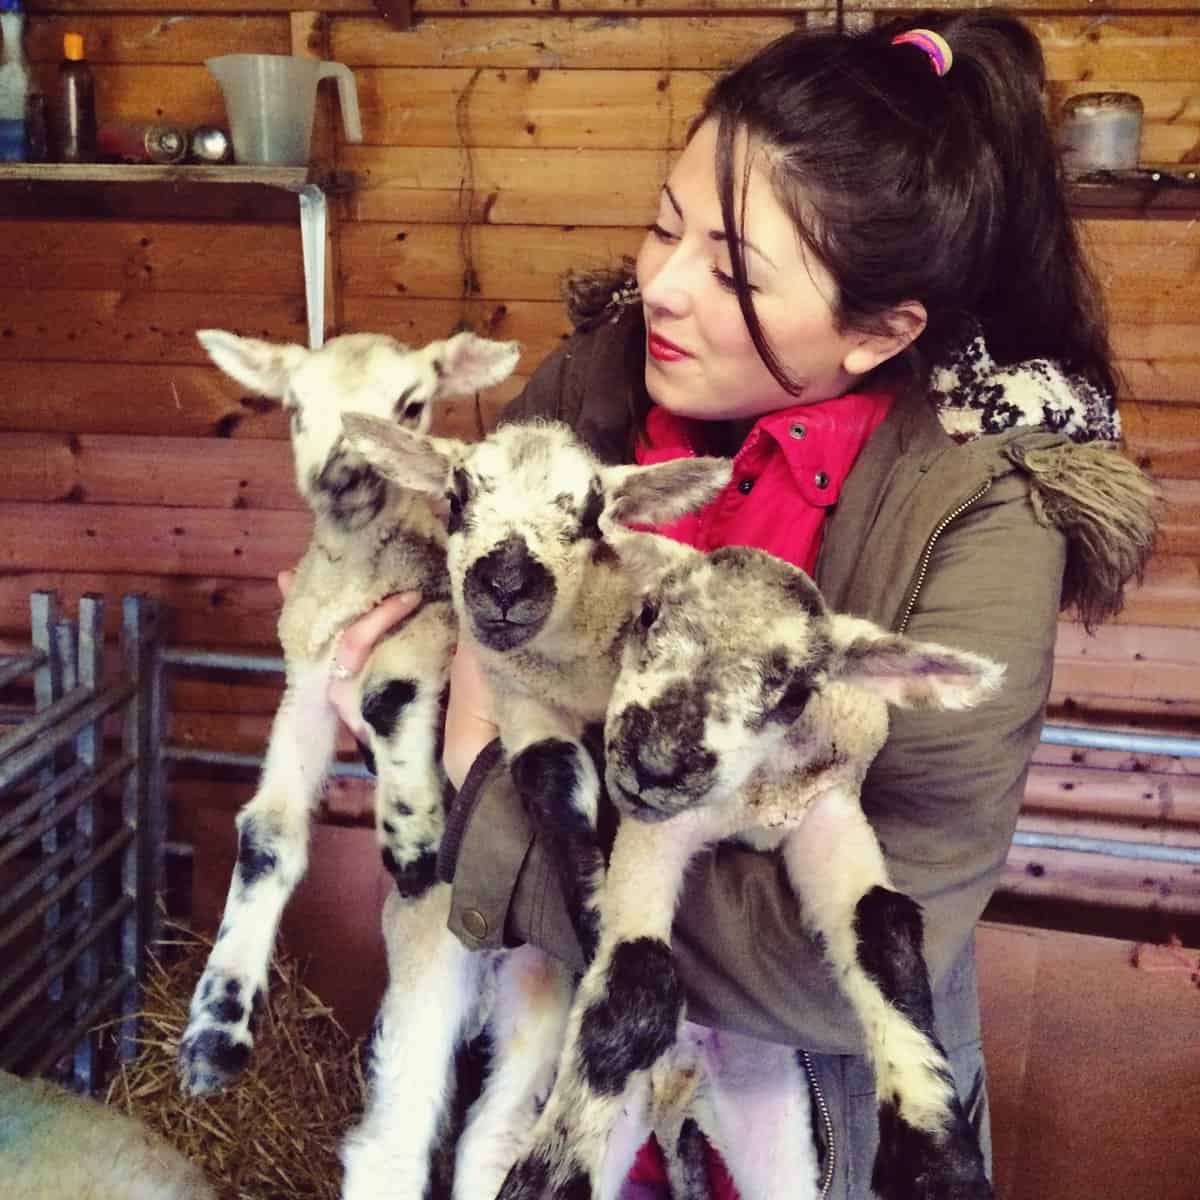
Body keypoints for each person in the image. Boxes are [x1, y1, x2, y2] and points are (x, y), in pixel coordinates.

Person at [319, 10, 1156, 1197]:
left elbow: (835, 961)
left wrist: (480, 791)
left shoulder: (984, 499)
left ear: (878, 331)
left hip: (812, 1106)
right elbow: (457, 609)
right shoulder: (587, 393)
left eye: (734, 271)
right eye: (666, 224)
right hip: (566, 1070)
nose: (658, 284)